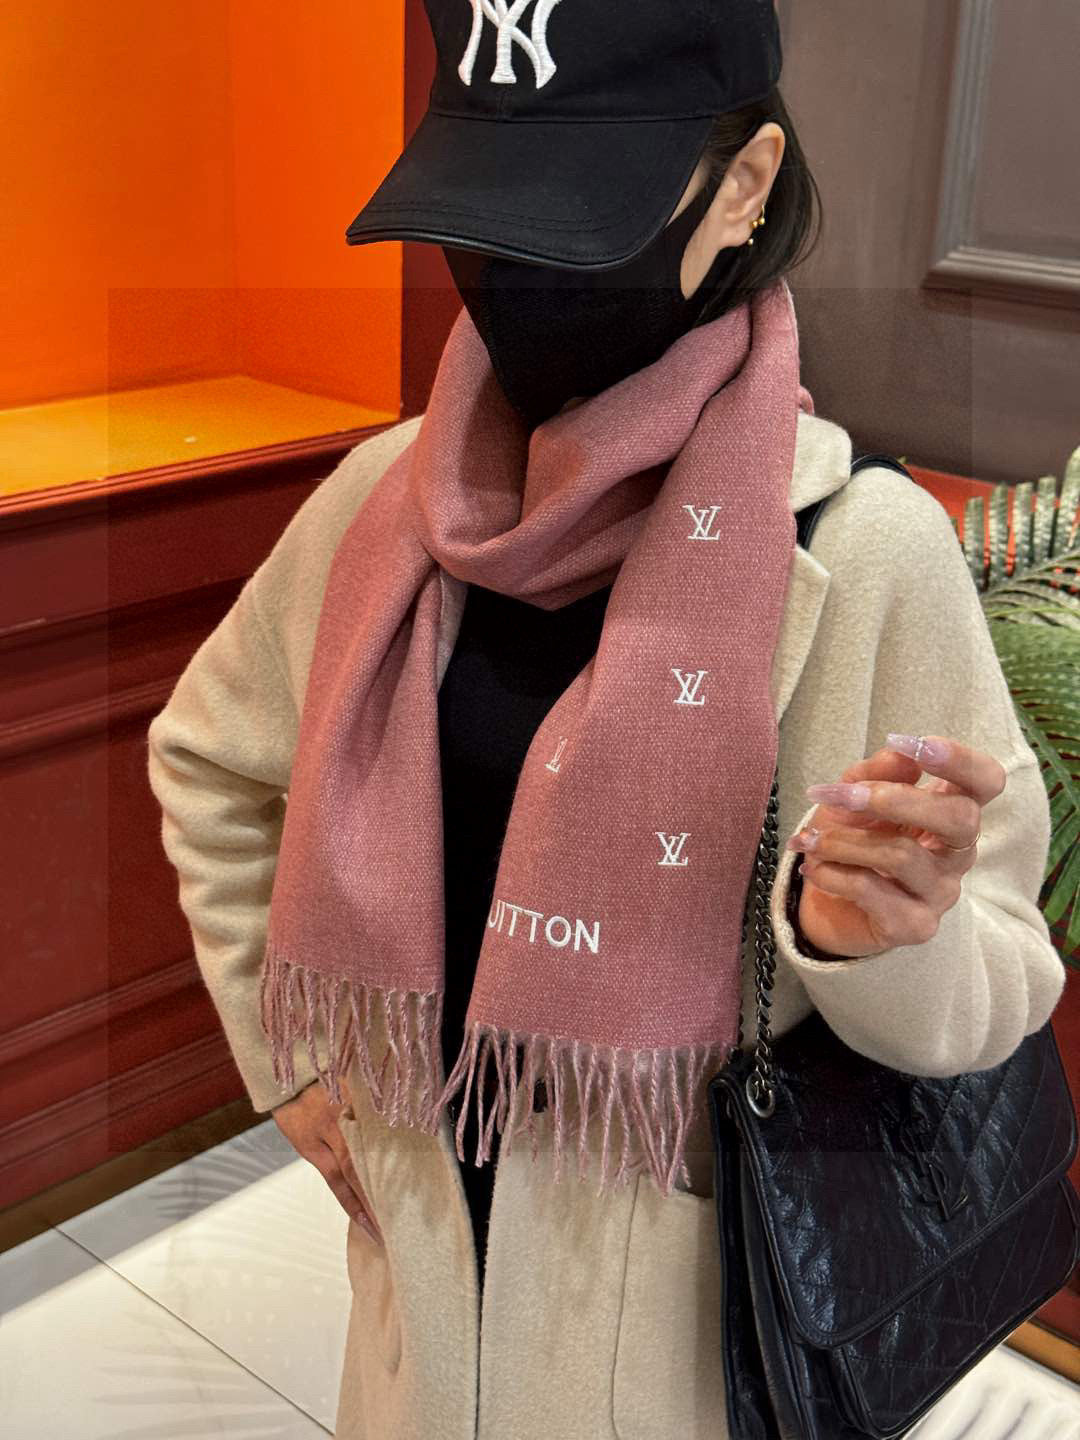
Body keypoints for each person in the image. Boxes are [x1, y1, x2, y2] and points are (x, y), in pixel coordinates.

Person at [146, 5, 1066, 1438]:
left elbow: (1002, 973)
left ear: (744, 184)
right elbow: (208, 758)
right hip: (419, 1325)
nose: (513, 272)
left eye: (574, 216)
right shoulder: (386, 508)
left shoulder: (859, 548)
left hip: (684, 1355)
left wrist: (874, 939)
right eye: (481, 211)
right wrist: (297, 1067)